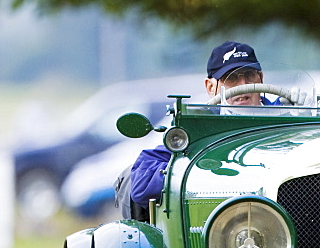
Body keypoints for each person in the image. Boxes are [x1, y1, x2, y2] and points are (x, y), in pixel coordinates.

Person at [118, 41, 280, 219]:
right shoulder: (199, 127)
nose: (242, 85)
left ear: (261, 79)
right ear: (211, 87)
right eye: (231, 78)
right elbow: (142, 188)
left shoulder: (289, 116)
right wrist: (199, 170)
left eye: (249, 76)